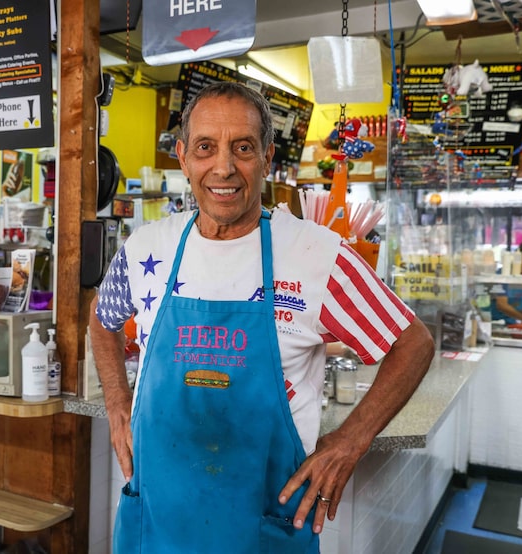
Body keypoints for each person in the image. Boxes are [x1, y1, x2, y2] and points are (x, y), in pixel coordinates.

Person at [88, 81, 434, 553]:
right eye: (206, 148)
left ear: (267, 158)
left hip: (261, 529)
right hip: (158, 522)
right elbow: (102, 319)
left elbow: (412, 342)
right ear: (184, 157)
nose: (223, 167)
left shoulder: (316, 256)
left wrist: (351, 439)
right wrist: (115, 402)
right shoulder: (147, 248)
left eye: (243, 147)